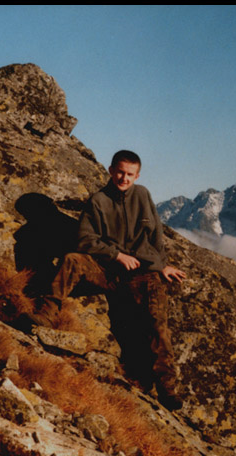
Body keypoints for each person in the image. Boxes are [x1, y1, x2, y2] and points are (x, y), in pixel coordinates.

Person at [33, 150, 187, 409]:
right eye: (120, 172)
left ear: (137, 176)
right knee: (72, 260)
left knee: (157, 325)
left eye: (130, 174)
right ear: (110, 170)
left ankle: (167, 389)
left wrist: (162, 266)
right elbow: (84, 239)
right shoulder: (98, 200)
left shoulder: (143, 195)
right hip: (107, 271)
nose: (124, 178)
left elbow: (156, 235)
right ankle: (46, 313)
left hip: (141, 274)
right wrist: (116, 255)